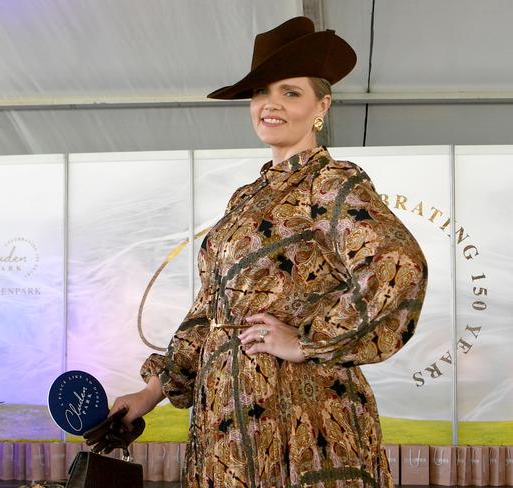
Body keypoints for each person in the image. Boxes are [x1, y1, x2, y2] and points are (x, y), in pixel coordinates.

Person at [106, 16, 428, 487]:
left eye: (290, 92)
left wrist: (305, 341)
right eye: (261, 93)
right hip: (226, 427)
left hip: (299, 414)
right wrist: (151, 392)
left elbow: (398, 266)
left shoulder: (331, 183)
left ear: (323, 105)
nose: (269, 104)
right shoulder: (244, 198)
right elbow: (210, 310)